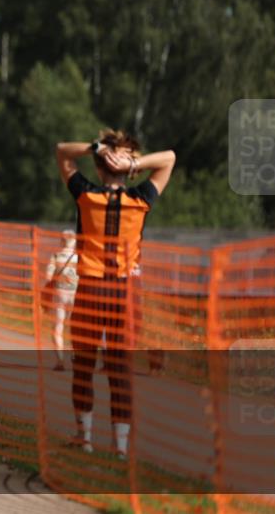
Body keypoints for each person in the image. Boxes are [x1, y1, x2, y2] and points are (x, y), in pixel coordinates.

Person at [56, 129, 175, 457]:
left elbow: (62, 151)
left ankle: (85, 438)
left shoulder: (85, 194)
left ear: (99, 168)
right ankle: (121, 449)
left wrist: (97, 148)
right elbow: (169, 159)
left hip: (91, 288)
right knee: (120, 368)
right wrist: (136, 162)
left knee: (84, 366)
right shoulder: (141, 199)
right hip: (124, 293)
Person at [45, 230, 79, 371]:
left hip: (59, 295)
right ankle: (75, 355)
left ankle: (60, 361)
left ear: (61, 241)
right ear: (74, 242)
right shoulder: (80, 258)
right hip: (76, 296)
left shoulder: (56, 256)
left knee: (57, 329)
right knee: (75, 328)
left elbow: (48, 277)